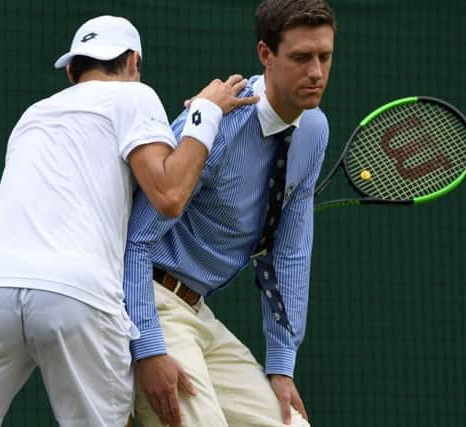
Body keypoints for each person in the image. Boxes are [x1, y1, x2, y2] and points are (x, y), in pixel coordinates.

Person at [0, 15, 257, 427]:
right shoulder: (134, 97)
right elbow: (170, 196)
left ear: (71, 70)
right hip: (77, 296)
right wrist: (206, 113)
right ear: (134, 62)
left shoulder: (33, 114)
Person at [123, 0, 336, 426]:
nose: (315, 72)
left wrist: (281, 365)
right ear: (265, 55)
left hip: (200, 314)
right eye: (300, 58)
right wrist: (147, 348)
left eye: (324, 57)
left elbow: (290, 253)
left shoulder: (314, 129)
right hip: (149, 304)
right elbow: (135, 241)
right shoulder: (215, 126)